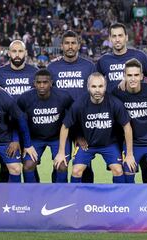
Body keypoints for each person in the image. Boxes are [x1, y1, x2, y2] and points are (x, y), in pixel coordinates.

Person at [97, 22, 147, 183]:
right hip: (114, 121)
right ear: (110, 39)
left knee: (146, 164)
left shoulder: (139, 56)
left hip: (139, 120)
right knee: (118, 166)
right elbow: (95, 85)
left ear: (126, 37)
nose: (117, 39)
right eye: (114, 36)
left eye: (120, 36)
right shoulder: (103, 61)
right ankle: (124, 202)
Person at [54, 72, 135, 183]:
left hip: (109, 144)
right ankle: (75, 197)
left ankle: (118, 198)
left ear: (105, 87)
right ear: (88, 87)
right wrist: (61, 152)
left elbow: (127, 127)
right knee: (76, 170)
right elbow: (65, 126)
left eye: (100, 86)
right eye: (94, 86)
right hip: (88, 145)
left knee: (118, 170)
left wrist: (129, 154)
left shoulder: (114, 103)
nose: (97, 90)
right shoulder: (79, 104)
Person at [47, 30, 97, 183]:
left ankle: (86, 199)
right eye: (67, 43)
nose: (70, 46)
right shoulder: (52, 68)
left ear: (78, 45)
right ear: (61, 45)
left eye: (73, 43)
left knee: (85, 166)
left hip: (82, 125)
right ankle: (59, 199)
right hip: (59, 124)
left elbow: (94, 94)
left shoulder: (89, 66)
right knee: (60, 164)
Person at [112, 59, 147, 183]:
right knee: (128, 172)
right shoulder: (117, 93)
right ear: (124, 76)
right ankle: (129, 202)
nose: (133, 79)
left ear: (142, 76)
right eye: (129, 75)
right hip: (133, 143)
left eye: (136, 75)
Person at [17, 69, 73, 183]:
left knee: (62, 165)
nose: (42, 85)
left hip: (57, 137)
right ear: (34, 83)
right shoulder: (24, 98)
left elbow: (75, 115)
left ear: (51, 83)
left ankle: (60, 193)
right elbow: (17, 120)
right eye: (38, 82)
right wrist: (24, 143)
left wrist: (78, 136)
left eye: (45, 82)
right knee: (28, 165)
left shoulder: (63, 96)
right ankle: (32, 193)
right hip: (34, 138)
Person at [0, 40, 38, 183]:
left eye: (20, 51)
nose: (17, 55)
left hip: (30, 128)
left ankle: (33, 202)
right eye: (14, 51)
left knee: (30, 165)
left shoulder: (34, 72)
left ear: (25, 53)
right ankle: (3, 202)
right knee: (6, 168)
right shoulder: (0, 73)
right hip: (6, 130)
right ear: (9, 53)